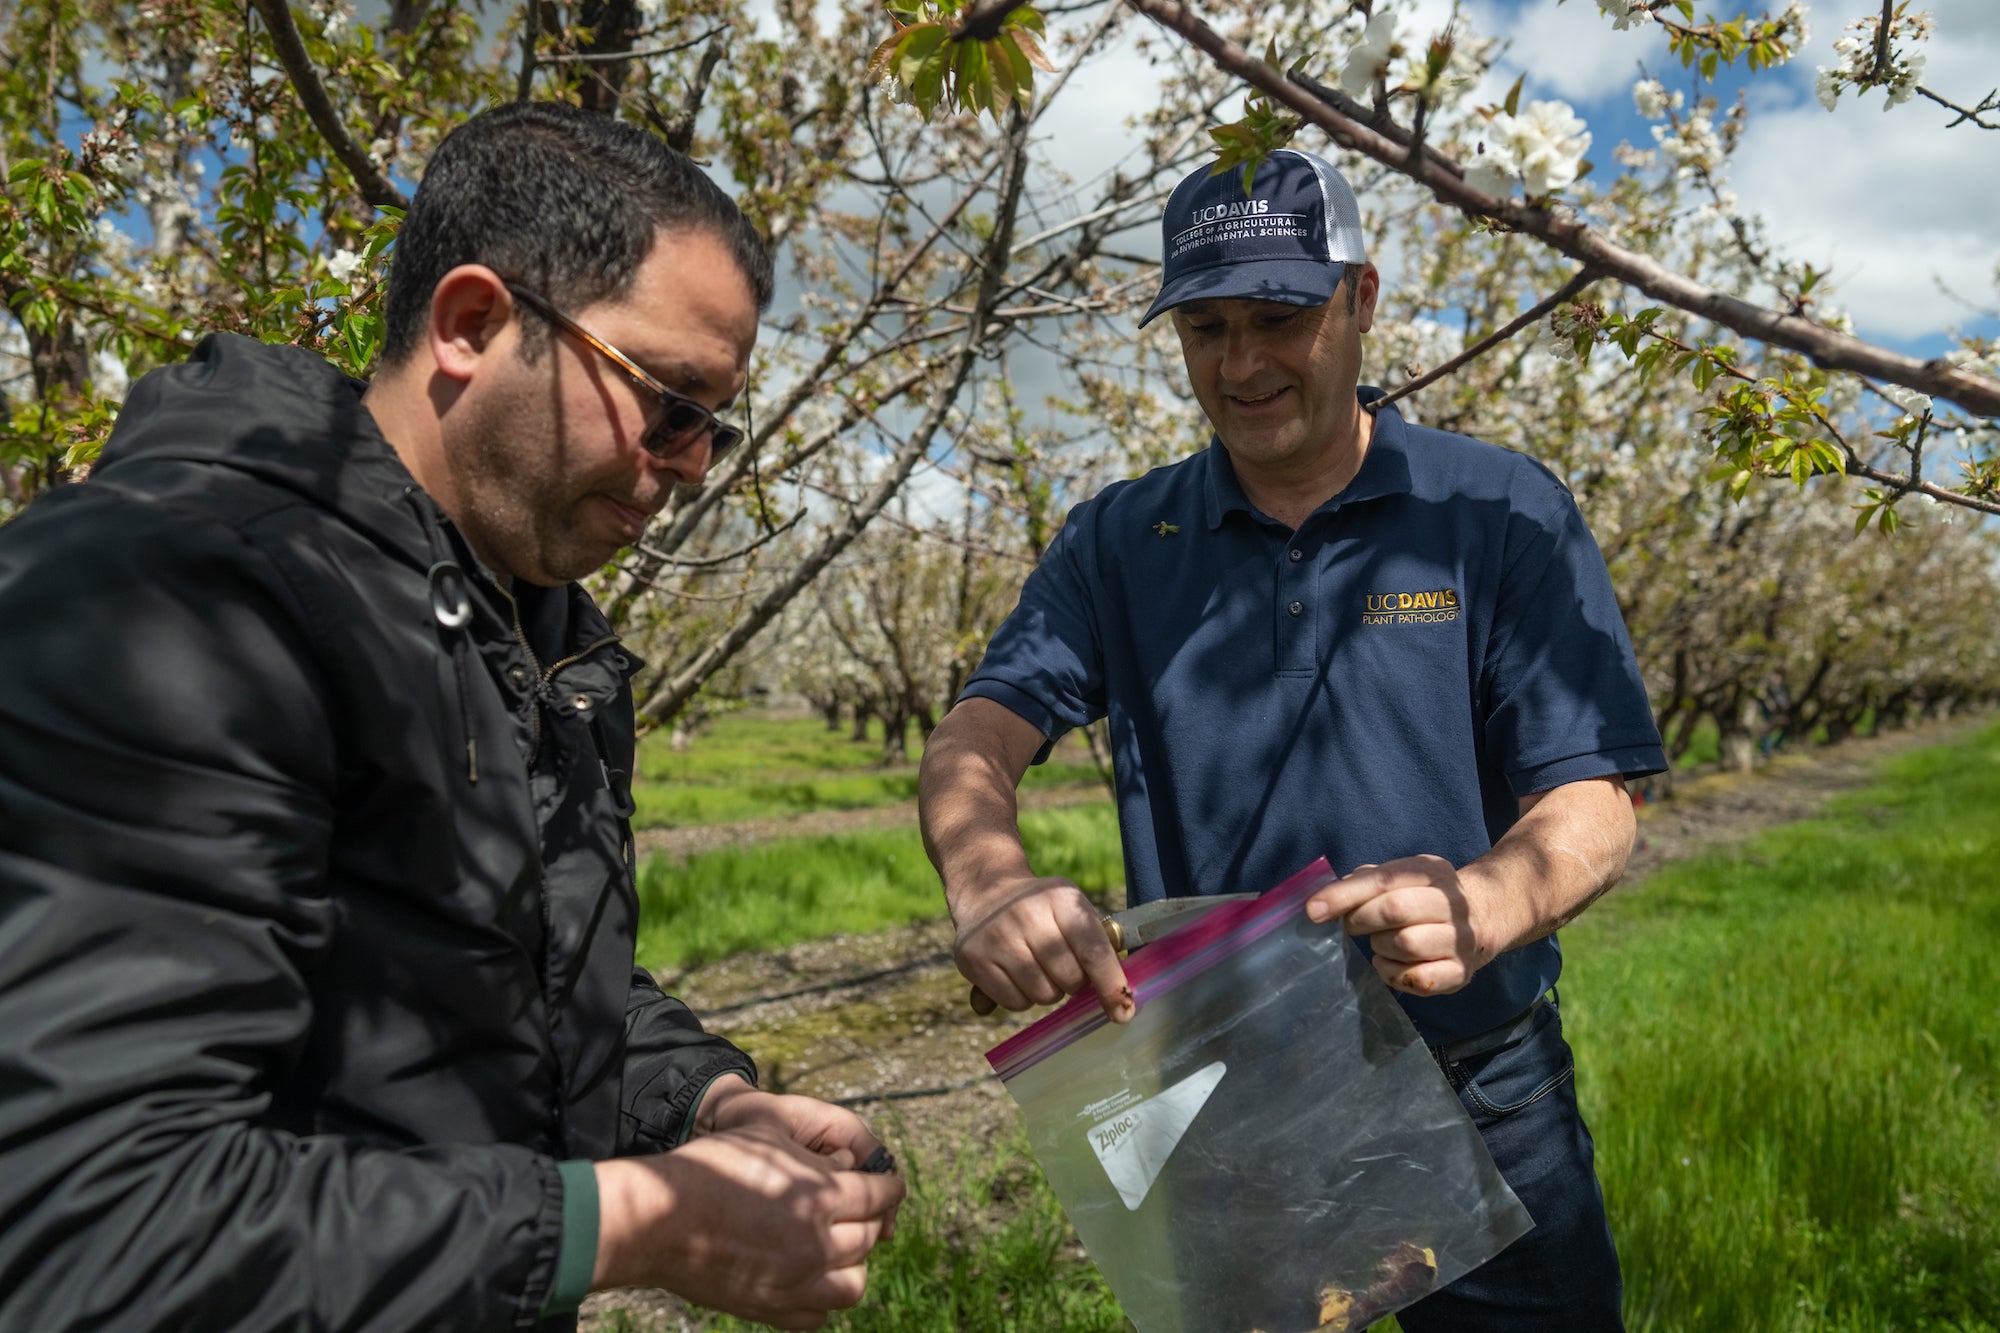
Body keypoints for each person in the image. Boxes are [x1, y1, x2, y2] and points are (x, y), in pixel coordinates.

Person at [0, 102, 902, 1332]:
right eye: (668, 400)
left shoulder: (546, 635)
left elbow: (525, 968)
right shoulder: (169, 604)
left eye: (714, 424)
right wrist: (633, 1221)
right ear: (474, 324)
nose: (692, 464)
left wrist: (703, 1107)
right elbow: (92, 1219)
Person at [918, 147, 1666, 1331]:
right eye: (1204, 328)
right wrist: (986, 876)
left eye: (1279, 316)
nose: (1242, 363)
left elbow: (1593, 795)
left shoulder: (1495, 512)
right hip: (1221, 1097)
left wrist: (1485, 901)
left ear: (1359, 301)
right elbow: (978, 731)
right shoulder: (1121, 539)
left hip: (1481, 1086)